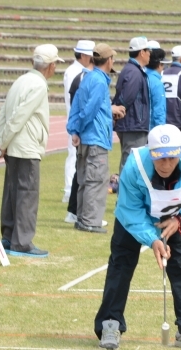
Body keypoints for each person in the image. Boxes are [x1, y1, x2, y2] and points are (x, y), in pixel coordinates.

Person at [94, 124, 181, 350]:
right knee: (121, 265)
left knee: (180, 265)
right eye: (159, 158)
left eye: (171, 158)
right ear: (150, 152)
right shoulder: (134, 166)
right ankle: (110, 325)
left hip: (173, 217)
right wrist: (153, 239)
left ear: (180, 151)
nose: (166, 164)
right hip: (133, 218)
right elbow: (130, 210)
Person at [0, 44, 62, 257]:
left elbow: (3, 115)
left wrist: (1, 143)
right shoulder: (38, 85)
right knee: (27, 194)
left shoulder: (20, 81)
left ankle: (9, 235)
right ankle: (22, 242)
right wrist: (2, 144)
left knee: (12, 191)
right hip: (27, 146)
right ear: (50, 66)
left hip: (14, 145)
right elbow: (19, 117)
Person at [68, 43, 125, 234]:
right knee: (96, 180)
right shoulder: (100, 82)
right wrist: (80, 127)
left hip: (85, 137)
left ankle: (83, 217)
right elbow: (89, 111)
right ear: (109, 60)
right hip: (95, 137)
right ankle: (91, 221)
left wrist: (75, 130)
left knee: (85, 179)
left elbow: (76, 106)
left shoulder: (87, 78)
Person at [62, 40, 95, 208]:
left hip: (78, 121)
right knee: (73, 156)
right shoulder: (74, 72)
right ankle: (69, 191)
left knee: (78, 159)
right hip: (76, 122)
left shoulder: (80, 71)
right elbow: (74, 99)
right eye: (91, 56)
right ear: (83, 55)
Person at [113, 36, 151, 174]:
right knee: (131, 163)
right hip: (133, 124)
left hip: (132, 123)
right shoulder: (134, 72)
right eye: (148, 51)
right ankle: (125, 194)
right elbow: (126, 98)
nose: (149, 54)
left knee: (132, 162)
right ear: (142, 52)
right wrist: (119, 112)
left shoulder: (132, 70)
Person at [145, 41, 167, 130]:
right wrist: (160, 130)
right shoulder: (156, 83)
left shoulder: (141, 76)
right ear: (159, 64)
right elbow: (159, 110)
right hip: (151, 128)